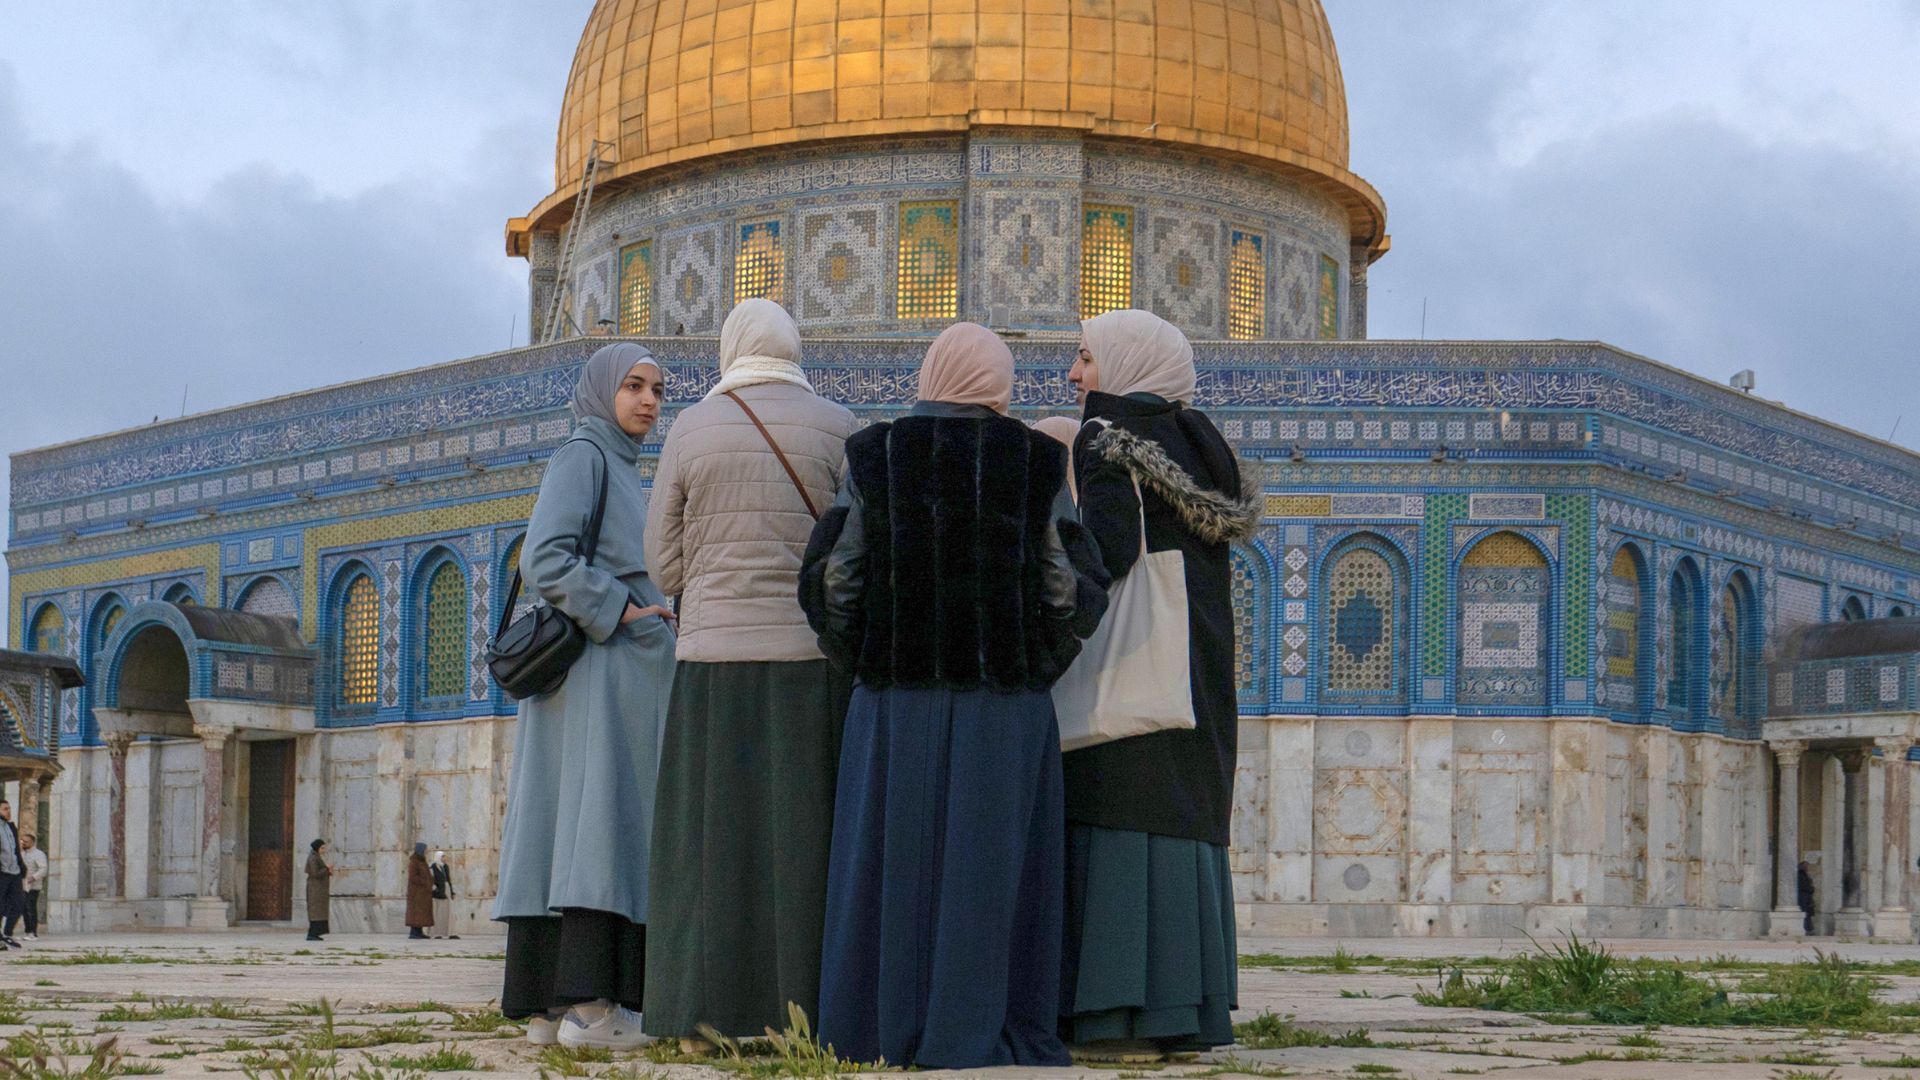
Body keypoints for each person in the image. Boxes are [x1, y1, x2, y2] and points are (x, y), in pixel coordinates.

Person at [800, 322, 1109, 1069]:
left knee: (891, 868)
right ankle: (978, 1027)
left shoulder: (875, 455)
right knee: (989, 873)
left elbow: (835, 580)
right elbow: (1071, 588)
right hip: (1002, 712)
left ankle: (879, 1028)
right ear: (997, 383)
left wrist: (865, 660)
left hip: (894, 707)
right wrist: (1035, 664)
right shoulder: (1036, 459)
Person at [642, 300, 861, 1049]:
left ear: (731, 350)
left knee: (711, 845)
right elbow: (856, 556)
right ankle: (803, 1013)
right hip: (809, 665)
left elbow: (663, 564)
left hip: (711, 668)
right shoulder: (840, 427)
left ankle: (702, 1016)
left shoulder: (691, 431)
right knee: (802, 842)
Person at [1059, 309, 1261, 1061]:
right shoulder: (1203, 443)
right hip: (1199, 657)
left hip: (1136, 654)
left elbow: (1109, 552)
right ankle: (1184, 1015)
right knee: (1185, 815)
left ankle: (1119, 1020)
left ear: (1126, 362)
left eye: (1084, 358)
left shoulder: (1106, 437)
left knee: (1121, 803)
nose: (1076, 376)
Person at [493, 342, 677, 1052]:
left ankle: (546, 1008)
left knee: (567, 835)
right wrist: (621, 609)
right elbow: (543, 557)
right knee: (601, 834)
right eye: (633, 386)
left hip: (597, 683)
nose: (649, 401)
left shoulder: (621, 468)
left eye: (657, 389)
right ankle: (594, 1012)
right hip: (600, 678)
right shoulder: (585, 456)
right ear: (603, 392)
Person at [0, 800, 23, 949]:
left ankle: (7, 933)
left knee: (18, 903)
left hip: (14, 872)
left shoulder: (10, 827)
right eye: (5, 809)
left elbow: (15, 850)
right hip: (2, 872)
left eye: (9, 808)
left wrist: (21, 866)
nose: (8, 812)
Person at [20, 831, 46, 940]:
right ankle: (28, 932)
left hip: (33, 886)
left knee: (30, 908)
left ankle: (33, 933)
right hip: (22, 886)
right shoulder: (22, 853)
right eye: (22, 841)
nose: (23, 843)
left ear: (32, 842)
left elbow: (43, 869)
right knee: (24, 909)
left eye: (26, 842)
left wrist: (33, 877)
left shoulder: (38, 854)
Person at [305, 839, 332, 942]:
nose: (323, 850)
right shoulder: (312, 858)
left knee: (319, 912)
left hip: (318, 890)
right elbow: (315, 873)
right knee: (316, 912)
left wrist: (327, 870)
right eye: (322, 848)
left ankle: (315, 934)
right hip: (315, 890)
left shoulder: (316, 857)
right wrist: (327, 868)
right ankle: (312, 934)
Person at [406, 843, 434, 940]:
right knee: (416, 913)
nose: (427, 851)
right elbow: (413, 877)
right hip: (416, 894)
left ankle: (419, 932)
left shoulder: (422, 861)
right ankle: (413, 933)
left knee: (421, 913)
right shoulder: (414, 862)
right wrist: (425, 882)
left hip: (423, 893)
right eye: (425, 849)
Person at [430, 851, 459, 940]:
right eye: (442, 857)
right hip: (438, 893)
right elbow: (431, 880)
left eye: (444, 856)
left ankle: (451, 933)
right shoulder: (433, 867)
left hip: (446, 891)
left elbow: (448, 879)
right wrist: (435, 890)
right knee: (439, 914)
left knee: (450, 913)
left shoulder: (445, 867)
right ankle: (437, 933)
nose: (444, 858)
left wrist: (452, 892)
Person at [1797, 860, 1816, 935]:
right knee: (1805, 914)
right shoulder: (1801, 874)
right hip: (1803, 898)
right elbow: (1805, 886)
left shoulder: (1803, 874)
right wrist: (1812, 889)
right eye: (1806, 866)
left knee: (1807, 914)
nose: (1807, 867)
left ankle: (1808, 929)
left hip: (1806, 898)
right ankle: (1807, 929)